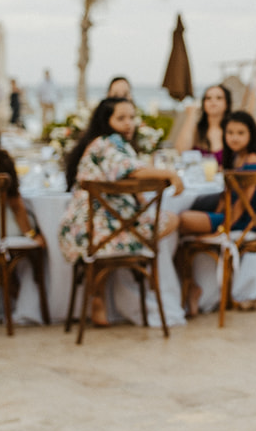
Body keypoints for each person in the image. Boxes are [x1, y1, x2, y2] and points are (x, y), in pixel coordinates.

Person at [58, 97, 182, 326]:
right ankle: (134, 261)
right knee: (173, 219)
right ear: (107, 121)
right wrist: (169, 174)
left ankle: (100, 291)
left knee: (120, 234)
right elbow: (129, 170)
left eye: (132, 117)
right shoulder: (107, 143)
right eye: (121, 118)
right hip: (94, 229)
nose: (129, 124)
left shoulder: (100, 144)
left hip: (87, 230)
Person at [178, 110, 256, 315]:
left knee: (181, 220)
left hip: (244, 222)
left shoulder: (253, 159)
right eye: (230, 132)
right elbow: (228, 199)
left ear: (251, 134)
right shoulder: (238, 158)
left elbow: (242, 203)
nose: (234, 137)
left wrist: (222, 231)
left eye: (240, 132)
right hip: (237, 218)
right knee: (185, 221)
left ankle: (193, 287)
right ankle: (195, 287)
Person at [0, 125, 41, 239]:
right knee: (35, 219)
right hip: (2, 229)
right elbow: (15, 203)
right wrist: (31, 234)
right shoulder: (3, 160)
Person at [174, 82, 232, 162]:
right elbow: (181, 151)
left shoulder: (232, 129)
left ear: (227, 104)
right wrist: (191, 115)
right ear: (203, 104)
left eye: (219, 98)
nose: (213, 101)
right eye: (208, 98)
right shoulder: (196, 129)